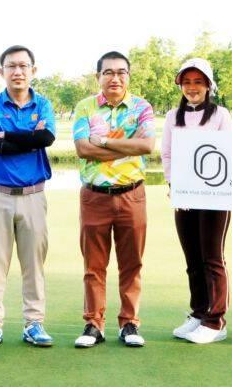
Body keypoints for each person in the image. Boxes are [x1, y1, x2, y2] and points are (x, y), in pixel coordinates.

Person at [72, 51, 156, 348]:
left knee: (131, 264)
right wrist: (128, 146)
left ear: (128, 76)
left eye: (121, 72)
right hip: (95, 196)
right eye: (108, 72)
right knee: (94, 266)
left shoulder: (141, 107)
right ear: (99, 77)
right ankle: (94, 324)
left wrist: (106, 142)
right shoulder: (85, 107)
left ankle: (129, 323)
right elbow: (83, 149)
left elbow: (146, 146)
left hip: (132, 194)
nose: (115, 78)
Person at [0, 45, 56, 349]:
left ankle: (34, 323)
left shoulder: (43, 104)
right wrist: (29, 139)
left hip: (34, 195)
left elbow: (46, 138)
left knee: (33, 265)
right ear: (2, 71)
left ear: (33, 70)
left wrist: (5, 135)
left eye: (24, 66)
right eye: (11, 66)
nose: (18, 71)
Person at [161, 58, 232, 344]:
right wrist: (173, 184)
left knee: (212, 258)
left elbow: (229, 153)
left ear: (208, 85)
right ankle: (199, 312)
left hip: (215, 196)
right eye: (187, 82)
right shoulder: (172, 116)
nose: (192, 87)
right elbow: (167, 154)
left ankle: (216, 321)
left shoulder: (220, 115)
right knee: (192, 258)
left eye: (198, 82)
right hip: (185, 195)